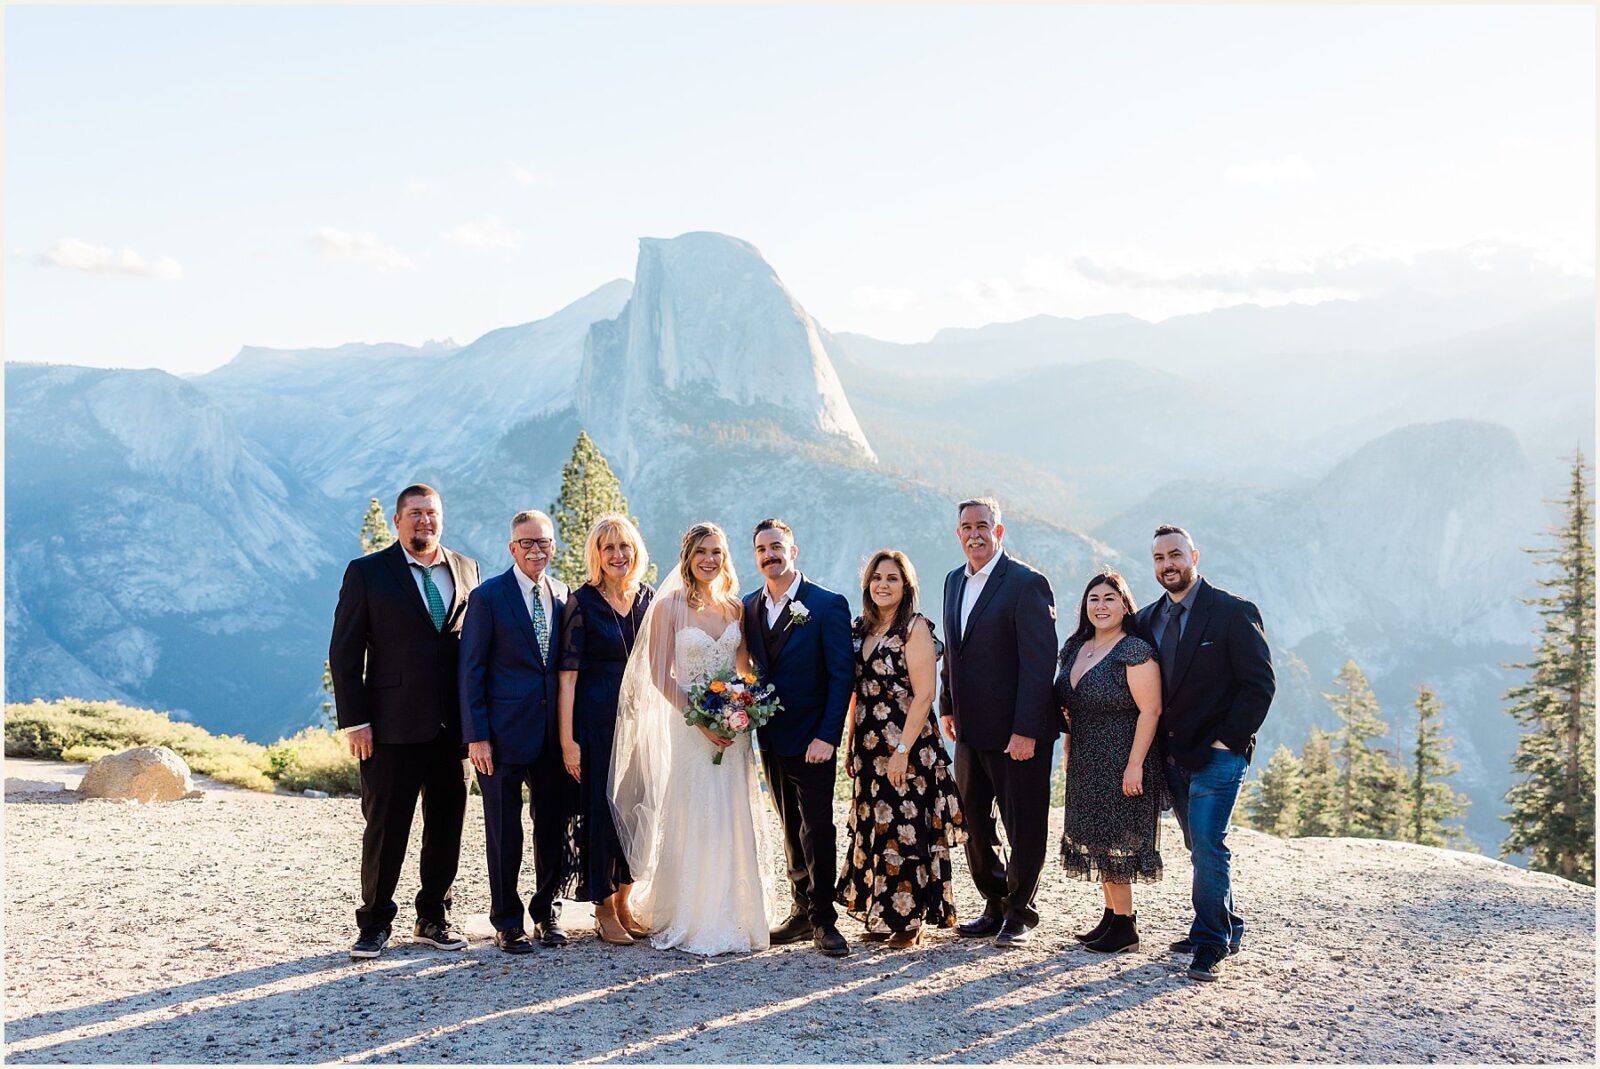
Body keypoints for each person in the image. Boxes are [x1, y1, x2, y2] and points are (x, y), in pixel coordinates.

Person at [329, 483, 481, 960]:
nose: (424, 522)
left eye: (431, 513)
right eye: (414, 514)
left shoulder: (467, 569)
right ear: (397, 521)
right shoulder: (368, 573)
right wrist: (355, 722)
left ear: (442, 518)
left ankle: (433, 916)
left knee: (446, 826)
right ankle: (374, 921)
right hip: (389, 727)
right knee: (385, 827)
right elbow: (344, 651)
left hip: (451, 728)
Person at [608, 523, 775, 955]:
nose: (710, 559)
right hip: (690, 728)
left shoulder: (736, 608)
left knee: (730, 812)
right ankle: (689, 910)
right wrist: (700, 720)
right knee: (694, 811)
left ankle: (734, 911)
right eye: (702, 551)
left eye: (717, 551)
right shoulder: (668, 608)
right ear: (688, 556)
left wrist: (742, 709)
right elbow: (661, 674)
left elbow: (743, 670)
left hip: (731, 731)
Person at [1132, 524, 1274, 982]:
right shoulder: (1147, 619)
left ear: (1194, 555)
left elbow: (1260, 685)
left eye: (1175, 555)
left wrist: (1228, 741)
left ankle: (1209, 940)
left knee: (1209, 846)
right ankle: (1227, 924)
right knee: (1198, 845)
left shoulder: (1233, 612)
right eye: (1159, 559)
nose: (1167, 565)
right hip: (1171, 755)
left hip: (1219, 753)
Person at [938, 496, 1059, 947]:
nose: (975, 533)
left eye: (983, 525)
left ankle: (1020, 911)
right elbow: (955, 649)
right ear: (958, 533)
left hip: (1016, 733)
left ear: (999, 531)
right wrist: (947, 703)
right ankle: (994, 902)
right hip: (970, 730)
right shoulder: (953, 581)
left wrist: (1026, 730)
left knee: (1023, 823)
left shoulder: (1027, 583)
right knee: (974, 823)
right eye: (967, 526)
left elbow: (1039, 662)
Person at [836, 549, 966, 947]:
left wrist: (903, 749)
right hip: (869, 742)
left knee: (905, 829)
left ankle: (910, 920)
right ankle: (884, 912)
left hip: (908, 744)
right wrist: (850, 743)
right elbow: (856, 692)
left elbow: (926, 694)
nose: (882, 585)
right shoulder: (860, 629)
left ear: (905, 585)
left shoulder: (915, 627)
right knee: (876, 826)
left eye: (891, 578)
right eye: (876, 578)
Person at [458, 510, 573, 952]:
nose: (536, 550)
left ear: (554, 546)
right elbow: (471, 670)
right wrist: (477, 736)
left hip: (552, 737)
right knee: (504, 832)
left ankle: (548, 912)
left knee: (552, 829)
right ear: (512, 548)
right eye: (527, 543)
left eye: (543, 542)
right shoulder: (488, 597)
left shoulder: (563, 595)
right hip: (501, 739)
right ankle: (507, 920)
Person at [742, 519, 855, 957]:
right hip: (770, 738)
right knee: (790, 826)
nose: (770, 555)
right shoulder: (750, 606)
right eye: (761, 549)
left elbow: (842, 674)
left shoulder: (826, 604)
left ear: (794, 550)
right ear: (756, 557)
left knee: (817, 828)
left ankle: (825, 920)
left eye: (776, 547)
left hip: (813, 741)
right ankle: (800, 909)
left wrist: (828, 736)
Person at [557, 515, 655, 945]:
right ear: (597, 555)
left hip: (642, 722)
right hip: (596, 723)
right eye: (608, 548)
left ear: (636, 552)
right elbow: (567, 678)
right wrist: (567, 741)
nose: (618, 555)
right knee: (601, 811)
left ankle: (625, 901)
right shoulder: (583, 602)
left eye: (625, 547)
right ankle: (602, 905)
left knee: (636, 809)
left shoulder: (648, 598)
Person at [1054, 569, 1163, 954]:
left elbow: (1150, 710)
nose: (1101, 606)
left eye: (1109, 599)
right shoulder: (1075, 648)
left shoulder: (1134, 650)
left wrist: (1135, 765)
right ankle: (1112, 916)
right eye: (1094, 599)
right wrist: (1068, 751)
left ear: (1124, 605)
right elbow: (1068, 706)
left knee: (1116, 841)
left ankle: (1126, 927)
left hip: (1122, 755)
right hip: (1085, 755)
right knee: (1097, 839)